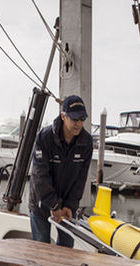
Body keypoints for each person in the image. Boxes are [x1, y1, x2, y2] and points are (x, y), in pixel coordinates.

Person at [28, 95, 93, 247]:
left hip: (67, 207)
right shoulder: (44, 138)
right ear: (63, 116)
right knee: (41, 250)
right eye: (75, 119)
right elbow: (40, 176)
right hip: (41, 204)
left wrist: (69, 205)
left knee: (66, 250)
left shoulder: (86, 142)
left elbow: (81, 179)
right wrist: (53, 205)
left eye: (82, 119)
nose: (79, 123)